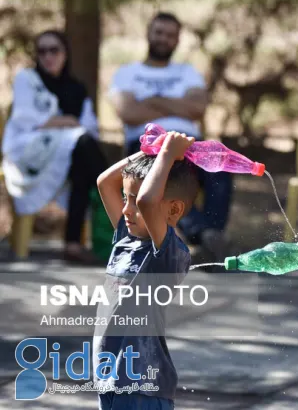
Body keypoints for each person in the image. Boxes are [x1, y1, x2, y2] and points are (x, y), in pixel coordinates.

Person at [109, 12, 232, 257]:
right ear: (148, 34)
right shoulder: (127, 73)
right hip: (146, 144)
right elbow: (128, 112)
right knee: (166, 175)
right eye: (159, 33)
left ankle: (211, 236)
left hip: (189, 142)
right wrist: (178, 104)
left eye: (170, 35)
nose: (163, 39)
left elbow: (197, 108)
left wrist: (152, 101)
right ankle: (204, 235)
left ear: (177, 40)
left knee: (220, 165)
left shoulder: (187, 72)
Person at [94, 132, 199, 410]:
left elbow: (147, 202)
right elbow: (105, 182)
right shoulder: (126, 240)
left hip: (142, 385)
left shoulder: (169, 255)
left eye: (134, 200)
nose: (127, 209)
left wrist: (165, 156)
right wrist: (150, 150)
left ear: (174, 209)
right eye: (125, 199)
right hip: (111, 380)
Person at [1, 30, 107, 263]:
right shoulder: (27, 79)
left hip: (69, 148)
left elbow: (88, 125)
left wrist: (60, 125)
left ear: (65, 54)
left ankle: (73, 242)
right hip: (28, 148)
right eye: (42, 51)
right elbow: (25, 119)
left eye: (54, 50)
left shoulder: (76, 88)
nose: (48, 56)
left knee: (81, 162)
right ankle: (117, 202)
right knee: (83, 147)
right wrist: (66, 122)